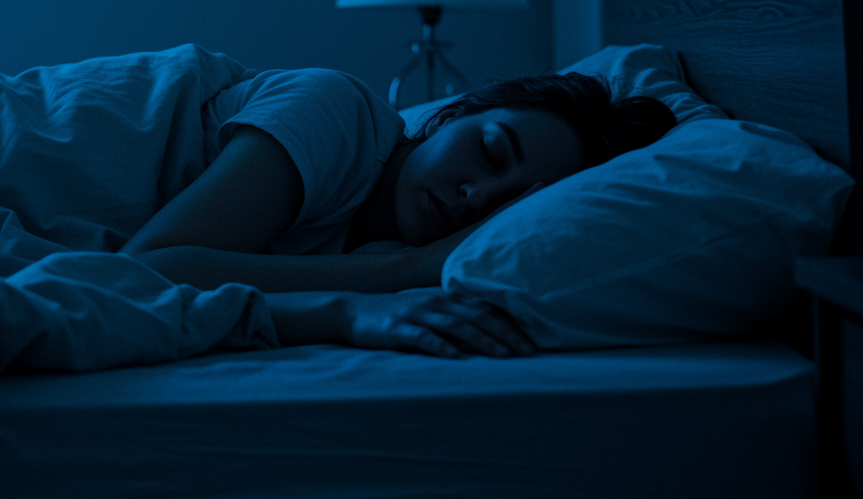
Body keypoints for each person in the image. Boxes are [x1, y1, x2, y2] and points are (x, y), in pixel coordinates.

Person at [120, 70, 678, 359]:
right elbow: (140, 274)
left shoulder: (361, 245)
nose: (476, 198)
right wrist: (393, 278)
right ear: (455, 112)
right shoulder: (333, 110)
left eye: (510, 206)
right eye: (489, 151)